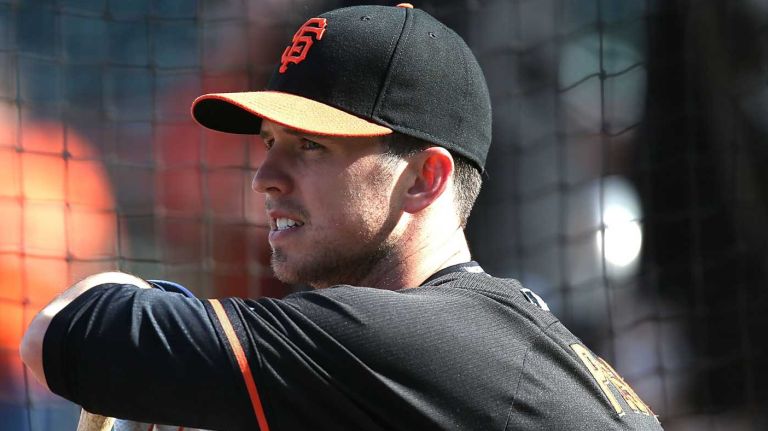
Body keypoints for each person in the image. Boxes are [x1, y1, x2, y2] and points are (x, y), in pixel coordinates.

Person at [20, 4, 663, 430]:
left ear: (425, 179)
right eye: (270, 143)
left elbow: (64, 334)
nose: (265, 178)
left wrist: (134, 292)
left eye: (311, 147)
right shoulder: (494, 329)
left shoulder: (402, 336)